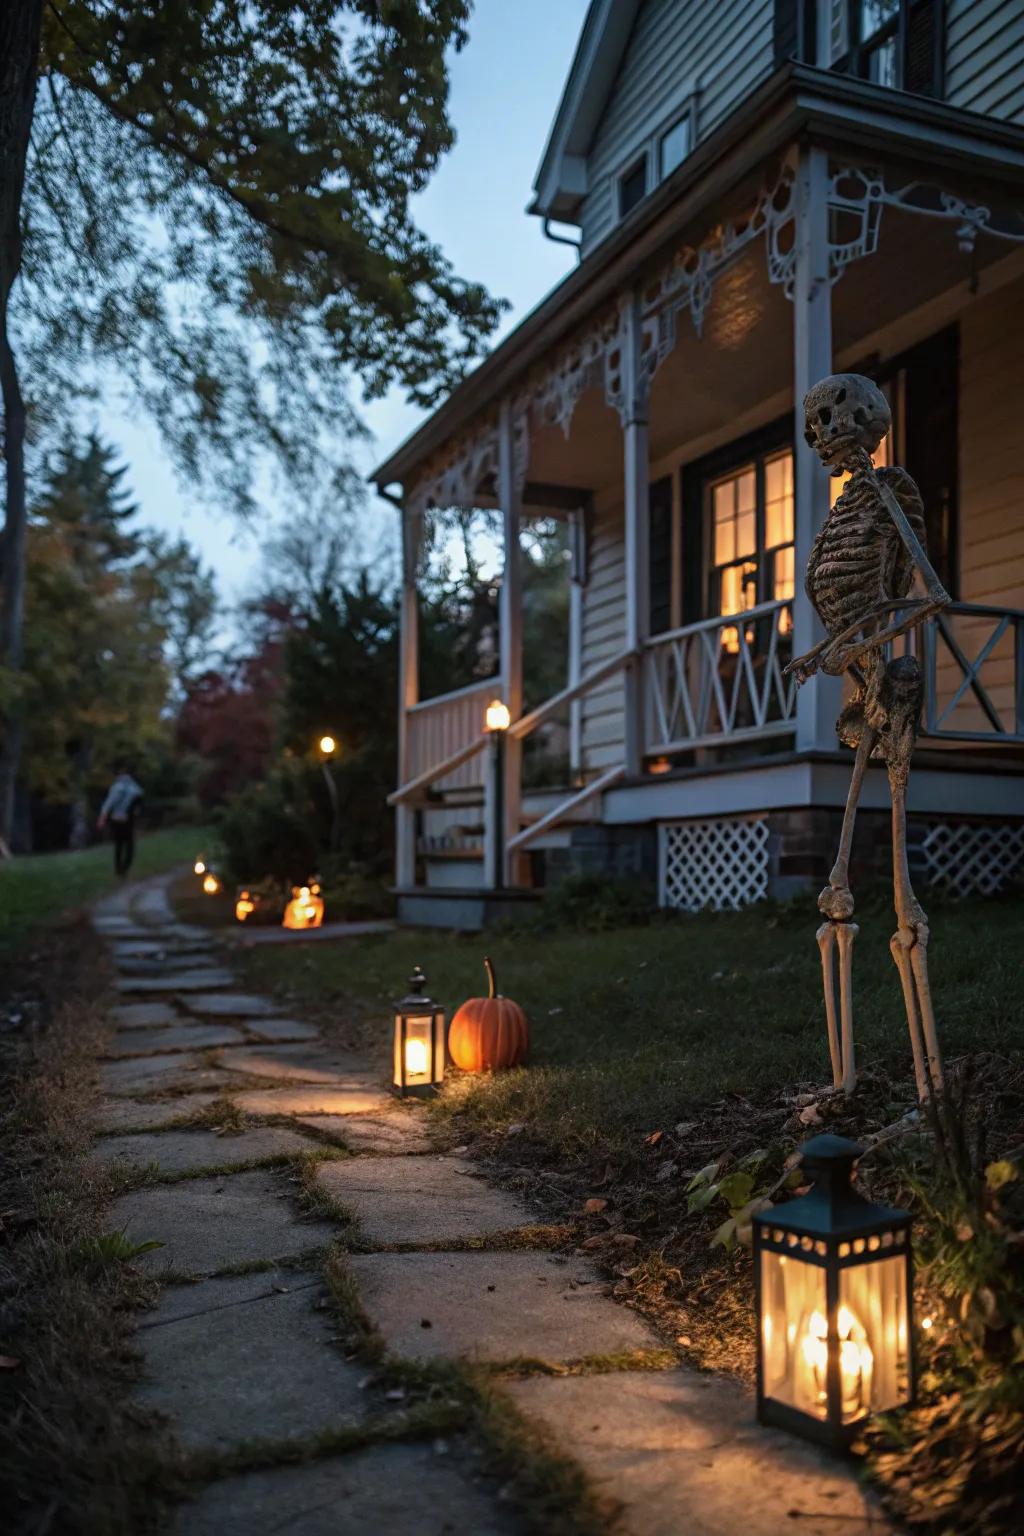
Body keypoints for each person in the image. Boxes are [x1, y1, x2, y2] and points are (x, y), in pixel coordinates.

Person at [97, 764, 144, 877]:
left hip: (117, 819)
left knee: (119, 845)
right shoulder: (134, 787)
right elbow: (140, 797)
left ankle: (119, 869)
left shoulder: (116, 787)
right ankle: (124, 867)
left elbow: (109, 803)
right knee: (129, 845)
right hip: (128, 820)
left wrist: (102, 818)